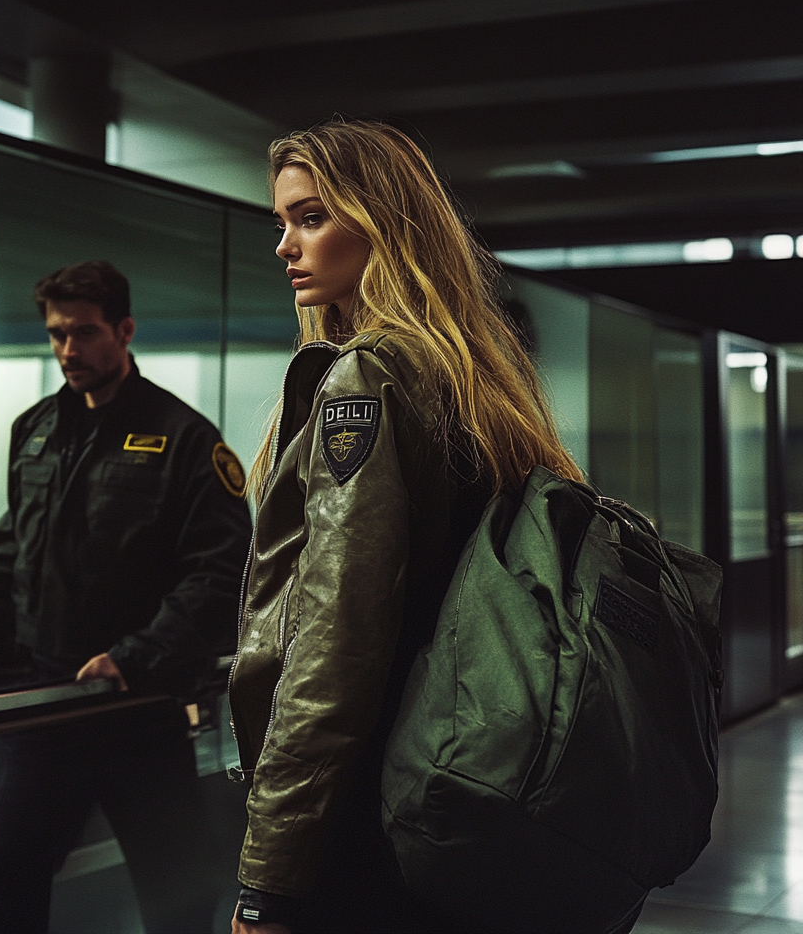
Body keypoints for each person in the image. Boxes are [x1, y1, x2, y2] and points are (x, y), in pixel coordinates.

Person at [227, 121, 584, 934]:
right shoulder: (469, 374)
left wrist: (270, 877)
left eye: (312, 217)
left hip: (364, 809)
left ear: (384, 221)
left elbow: (335, 639)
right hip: (455, 786)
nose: (286, 245)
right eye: (282, 221)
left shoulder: (366, 378)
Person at [0, 259, 252, 934]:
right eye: (58, 333)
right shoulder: (34, 430)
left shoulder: (184, 439)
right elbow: (11, 542)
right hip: (48, 703)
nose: (68, 350)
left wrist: (139, 655)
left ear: (124, 331)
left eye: (85, 333)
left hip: (138, 709)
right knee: (6, 880)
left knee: (174, 888)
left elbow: (220, 572)